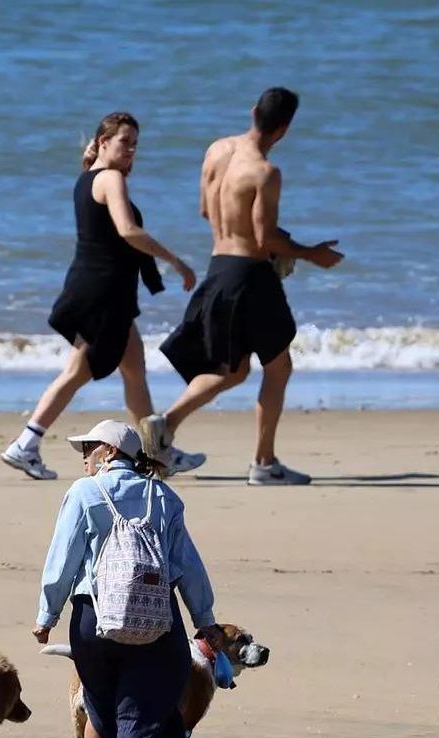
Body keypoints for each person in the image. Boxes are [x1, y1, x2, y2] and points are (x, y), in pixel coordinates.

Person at [31, 420, 221, 738]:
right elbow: (187, 563)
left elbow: (62, 559)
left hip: (93, 619)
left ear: (111, 452)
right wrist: (204, 618)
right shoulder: (164, 497)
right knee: (136, 712)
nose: (84, 455)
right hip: (157, 620)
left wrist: (47, 615)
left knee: (99, 708)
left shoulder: (83, 494)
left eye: (90, 447)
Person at [150, 87, 345, 485]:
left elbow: (206, 209)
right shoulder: (265, 172)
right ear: (284, 130)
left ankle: (164, 424)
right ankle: (264, 463)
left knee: (234, 370)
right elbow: (263, 238)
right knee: (279, 367)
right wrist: (310, 253)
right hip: (251, 277)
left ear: (253, 111)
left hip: (218, 267)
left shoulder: (216, 151)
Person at [1, 112, 198, 481]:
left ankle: (159, 454)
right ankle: (26, 444)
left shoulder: (88, 179)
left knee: (134, 370)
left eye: (136, 144)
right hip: (103, 294)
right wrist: (175, 260)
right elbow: (129, 230)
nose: (131, 150)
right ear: (104, 142)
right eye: (124, 142)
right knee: (77, 372)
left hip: (103, 291)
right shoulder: (110, 179)